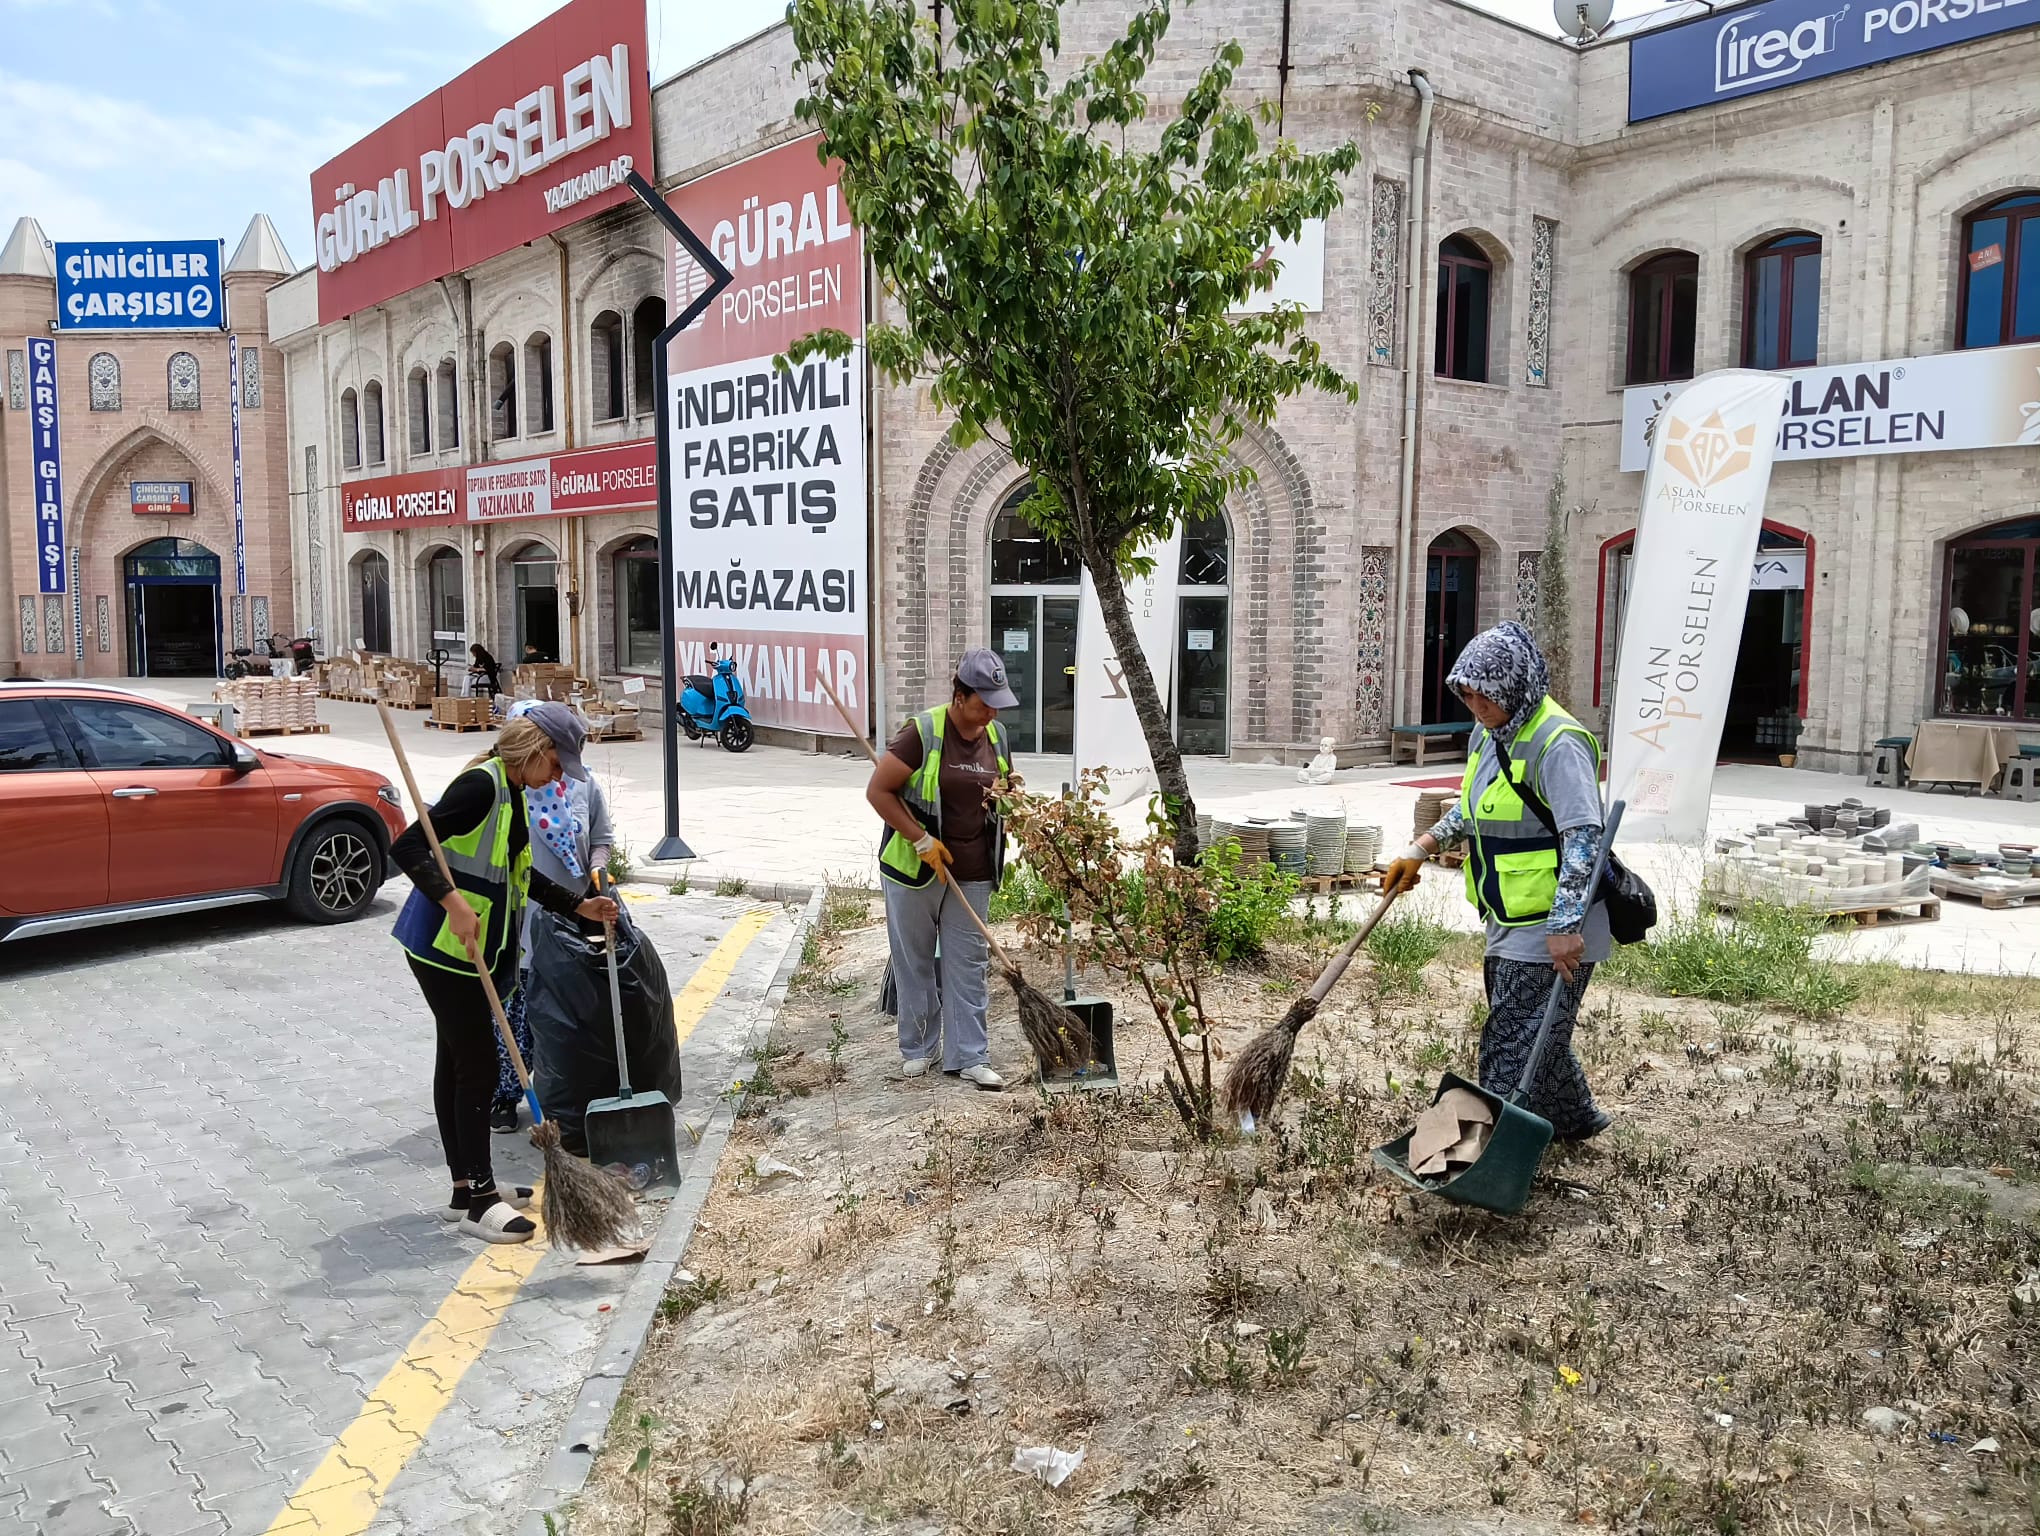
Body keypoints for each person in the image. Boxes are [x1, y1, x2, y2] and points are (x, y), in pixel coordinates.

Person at [390, 712, 619, 1243]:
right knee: (477, 1067)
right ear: (536, 749)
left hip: (473, 952)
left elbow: (521, 875)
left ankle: (463, 1189)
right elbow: (405, 846)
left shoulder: (513, 791)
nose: (560, 777)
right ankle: (482, 1201)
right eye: (558, 763)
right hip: (444, 950)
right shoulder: (480, 787)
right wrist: (451, 903)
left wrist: (577, 906)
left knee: (457, 1062)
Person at [1381, 622, 1613, 1142]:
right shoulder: (1489, 736)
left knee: (1512, 1039)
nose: (1477, 709)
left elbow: (1583, 838)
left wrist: (1564, 925)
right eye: (1467, 697)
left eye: (1487, 698)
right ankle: (1575, 1121)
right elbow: (1471, 809)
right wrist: (1421, 848)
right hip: (1508, 912)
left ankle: (1487, 1155)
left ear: (1516, 686)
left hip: (1556, 924)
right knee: (1535, 1031)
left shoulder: (1559, 743)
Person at [868, 648, 1019, 1091]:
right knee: (914, 961)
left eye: (996, 702)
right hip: (914, 871)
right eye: (982, 702)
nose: (990, 711)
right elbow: (879, 792)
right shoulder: (923, 731)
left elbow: (1003, 785)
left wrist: (1010, 795)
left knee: (968, 964)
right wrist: (919, 838)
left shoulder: (997, 736)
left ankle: (970, 1055)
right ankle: (917, 1049)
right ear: (959, 695)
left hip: (970, 871)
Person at [491, 701, 614, 1132]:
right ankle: (506, 1094)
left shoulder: (584, 786)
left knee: (566, 1016)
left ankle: (563, 1096)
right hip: (525, 920)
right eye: (557, 762)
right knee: (518, 1016)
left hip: (575, 915)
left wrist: (598, 870)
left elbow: (602, 838)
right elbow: (516, 869)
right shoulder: (512, 792)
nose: (559, 774)